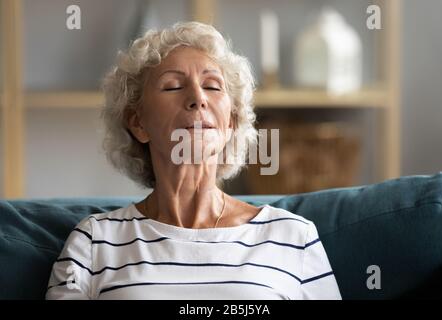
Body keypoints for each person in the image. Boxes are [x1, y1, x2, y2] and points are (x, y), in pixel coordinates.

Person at [45, 21, 341, 300]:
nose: (198, 98)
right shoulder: (95, 241)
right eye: (173, 86)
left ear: (230, 123)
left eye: (212, 86)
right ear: (138, 123)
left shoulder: (293, 235)